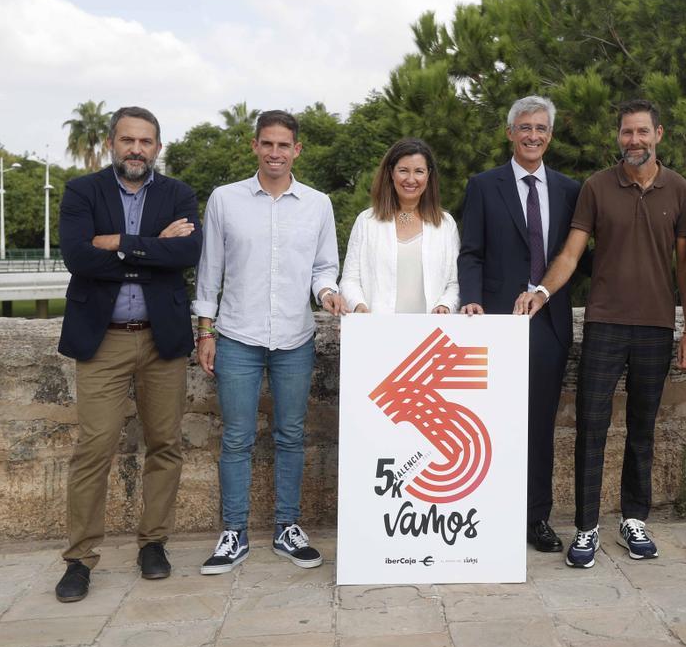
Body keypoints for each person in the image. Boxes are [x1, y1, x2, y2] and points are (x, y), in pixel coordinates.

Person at [515, 99, 686, 569]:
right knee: (591, 429)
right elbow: (572, 255)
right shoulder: (597, 187)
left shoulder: (680, 189)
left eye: (642, 132)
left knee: (642, 428)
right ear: (618, 137)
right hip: (604, 324)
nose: (633, 140)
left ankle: (634, 519)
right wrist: (541, 290)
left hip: (656, 327)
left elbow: (684, 266)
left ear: (659, 134)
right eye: (626, 133)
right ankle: (587, 527)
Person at [54, 106, 202, 602]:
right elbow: (76, 255)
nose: (136, 149)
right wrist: (148, 248)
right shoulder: (82, 191)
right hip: (103, 339)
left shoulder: (177, 194)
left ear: (158, 147)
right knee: (93, 447)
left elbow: (185, 255)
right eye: (127, 140)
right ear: (112, 144)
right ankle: (79, 559)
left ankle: (153, 544)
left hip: (162, 339)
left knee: (165, 444)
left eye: (146, 141)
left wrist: (116, 244)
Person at [193, 110, 342, 575]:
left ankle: (287, 527)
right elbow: (209, 270)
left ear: (297, 150)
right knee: (236, 438)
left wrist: (328, 293)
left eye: (285, 145)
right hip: (237, 335)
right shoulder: (225, 200)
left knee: (291, 436)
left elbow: (323, 267)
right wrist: (205, 330)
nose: (276, 153)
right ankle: (233, 532)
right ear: (255, 146)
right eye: (268, 144)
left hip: (295, 338)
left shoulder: (318, 204)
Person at [458, 95, 583, 553]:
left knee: (540, 428)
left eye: (541, 128)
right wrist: (470, 300)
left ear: (550, 135)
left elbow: (574, 259)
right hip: (494, 323)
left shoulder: (571, 190)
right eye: (524, 128)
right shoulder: (483, 186)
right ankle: (489, 514)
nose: (533, 136)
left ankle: (536, 519)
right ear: (510, 133)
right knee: (489, 426)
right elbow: (470, 252)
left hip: (548, 325)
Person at [339, 138, 459, 315]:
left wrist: (446, 305)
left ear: (429, 175)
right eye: (403, 170)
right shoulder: (366, 221)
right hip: (379, 331)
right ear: (391, 173)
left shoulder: (445, 224)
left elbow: (454, 282)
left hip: (431, 335)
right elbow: (350, 279)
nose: (411, 179)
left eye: (419, 171)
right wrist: (358, 304)